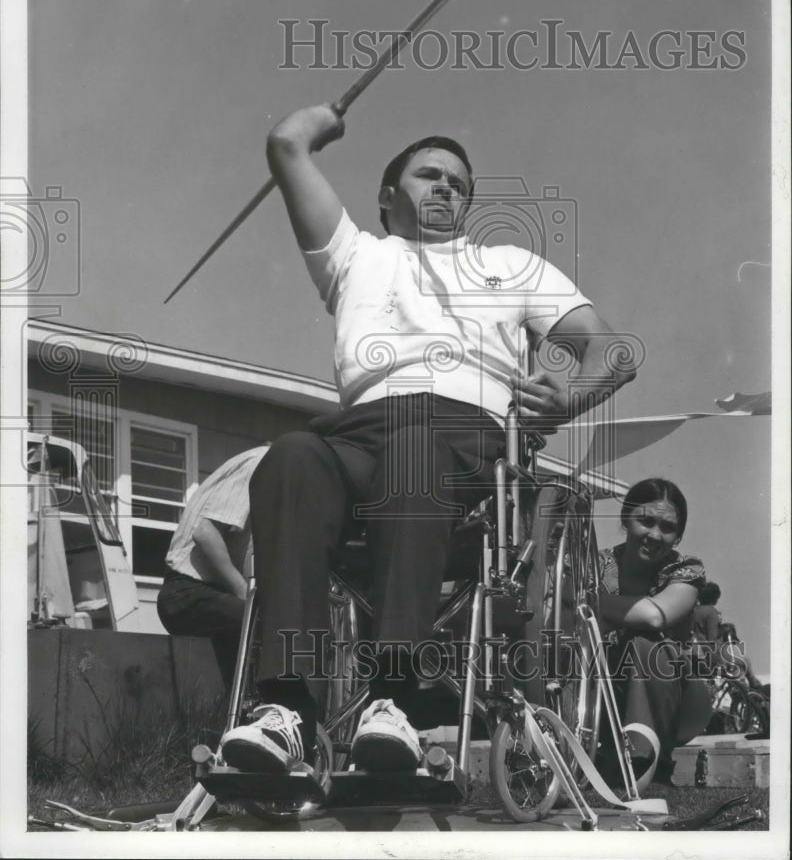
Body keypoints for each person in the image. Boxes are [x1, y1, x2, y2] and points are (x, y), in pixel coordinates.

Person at [219, 104, 636, 775]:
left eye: (459, 183)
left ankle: (393, 698)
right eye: (429, 176)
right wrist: (326, 118)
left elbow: (612, 353)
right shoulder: (355, 257)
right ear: (387, 197)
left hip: (464, 441)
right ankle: (288, 710)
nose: (447, 188)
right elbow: (286, 144)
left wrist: (570, 397)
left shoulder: (510, 264)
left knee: (415, 449)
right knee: (291, 455)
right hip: (357, 436)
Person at [598, 478, 709, 783]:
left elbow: (654, 617)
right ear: (625, 520)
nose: (655, 535)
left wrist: (593, 604)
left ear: (679, 535)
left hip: (677, 696)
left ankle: (647, 763)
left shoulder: (686, 569)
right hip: (606, 685)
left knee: (646, 644)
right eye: (645, 521)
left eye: (667, 527)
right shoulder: (595, 565)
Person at [157, 446, 269, 688]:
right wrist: (244, 594)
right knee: (274, 628)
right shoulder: (263, 462)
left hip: (210, 595)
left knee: (235, 683)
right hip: (188, 593)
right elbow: (205, 534)